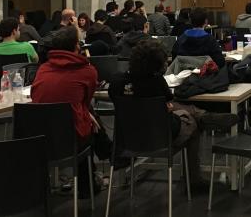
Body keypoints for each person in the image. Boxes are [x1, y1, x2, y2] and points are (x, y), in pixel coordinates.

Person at [109, 39, 238, 193]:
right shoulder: (157, 83)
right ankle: (194, 179)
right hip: (163, 136)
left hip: (129, 138)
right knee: (192, 125)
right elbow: (169, 104)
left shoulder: (116, 83)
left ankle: (202, 116)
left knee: (175, 109)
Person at [30, 26, 101, 198]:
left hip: (38, 136)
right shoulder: (87, 71)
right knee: (88, 123)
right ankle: (87, 185)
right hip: (71, 137)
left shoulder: (43, 69)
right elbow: (85, 100)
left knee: (84, 117)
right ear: (77, 46)